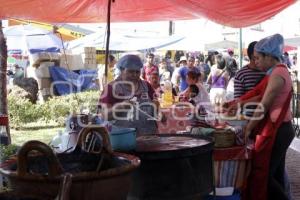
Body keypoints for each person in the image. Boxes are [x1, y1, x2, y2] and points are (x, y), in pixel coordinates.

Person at [226, 34, 294, 200]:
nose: (256, 62)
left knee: (264, 176)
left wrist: (248, 128)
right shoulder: (275, 72)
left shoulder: (278, 74)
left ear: (269, 56)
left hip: (279, 130)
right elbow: (259, 96)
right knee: (275, 173)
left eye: (258, 58)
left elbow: (263, 105)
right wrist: (238, 103)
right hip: (280, 128)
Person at [98, 54, 159, 135]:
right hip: (124, 139)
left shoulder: (146, 86)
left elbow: (155, 105)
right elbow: (105, 115)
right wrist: (121, 107)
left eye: (137, 72)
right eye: (131, 71)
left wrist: (158, 112)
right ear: (122, 70)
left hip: (150, 137)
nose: (135, 75)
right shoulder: (111, 88)